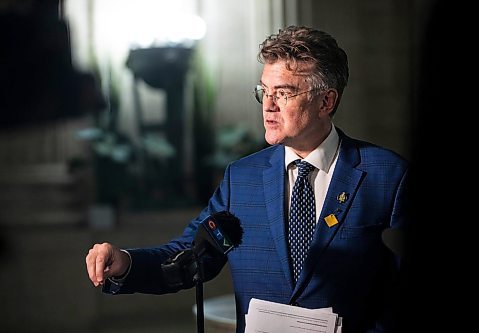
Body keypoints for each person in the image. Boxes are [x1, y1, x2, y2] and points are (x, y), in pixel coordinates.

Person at [86, 25, 408, 333]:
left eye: (283, 93)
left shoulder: (387, 176)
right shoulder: (242, 180)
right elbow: (192, 257)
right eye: (264, 91)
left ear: (326, 101)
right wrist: (125, 263)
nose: (268, 106)